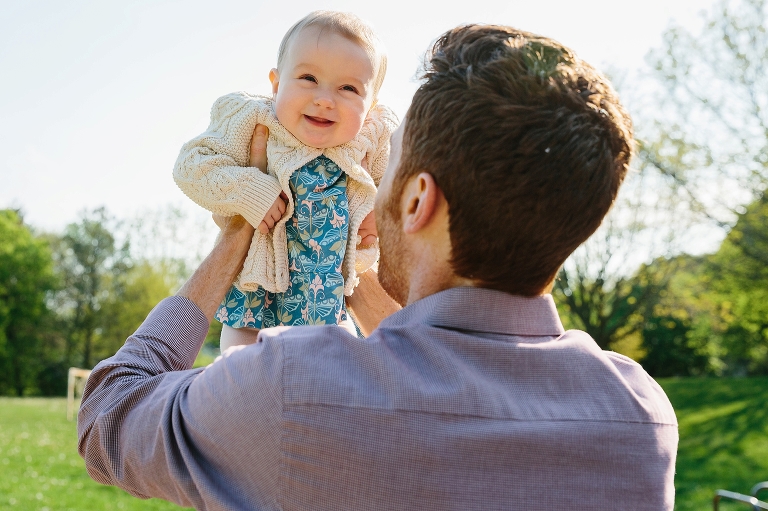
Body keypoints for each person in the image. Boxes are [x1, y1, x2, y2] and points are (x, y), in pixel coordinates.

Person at [78, 24, 678, 510]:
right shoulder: (639, 418)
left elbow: (109, 421)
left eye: (385, 170)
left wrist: (236, 234)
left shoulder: (294, 384)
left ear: (417, 200)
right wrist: (347, 267)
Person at [173, 11, 398, 349]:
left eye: (348, 88)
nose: (324, 99)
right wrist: (248, 189)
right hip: (256, 312)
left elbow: (403, 193)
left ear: (371, 106)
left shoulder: (372, 139)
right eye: (308, 78)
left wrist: (377, 210)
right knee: (246, 385)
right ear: (276, 84)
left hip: (330, 311)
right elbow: (190, 165)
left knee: (337, 389)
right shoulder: (253, 121)